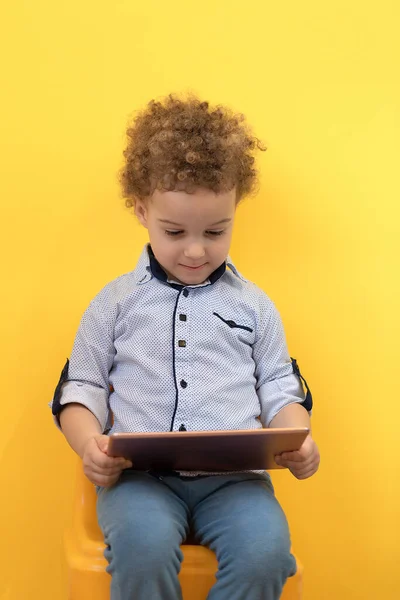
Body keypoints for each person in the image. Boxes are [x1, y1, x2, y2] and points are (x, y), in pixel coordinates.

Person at [51, 94, 320, 600]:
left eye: (216, 232)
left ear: (234, 213)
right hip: (140, 483)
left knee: (267, 552)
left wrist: (296, 440)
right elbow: (80, 389)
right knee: (142, 545)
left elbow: (281, 390)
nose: (196, 250)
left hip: (237, 483)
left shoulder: (256, 308)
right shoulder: (114, 304)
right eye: (174, 232)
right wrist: (90, 445)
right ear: (141, 210)